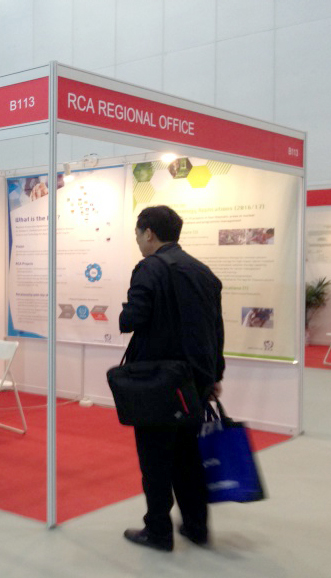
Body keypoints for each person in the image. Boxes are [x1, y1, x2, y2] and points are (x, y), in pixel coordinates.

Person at [118, 205, 224, 551]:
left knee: (155, 460)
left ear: (149, 233)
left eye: (138, 234)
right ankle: (196, 526)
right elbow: (215, 329)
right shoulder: (203, 272)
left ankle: (158, 531)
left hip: (158, 382)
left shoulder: (149, 268)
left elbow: (132, 319)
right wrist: (216, 374)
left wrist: (124, 313)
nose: (137, 240)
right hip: (196, 380)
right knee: (188, 456)